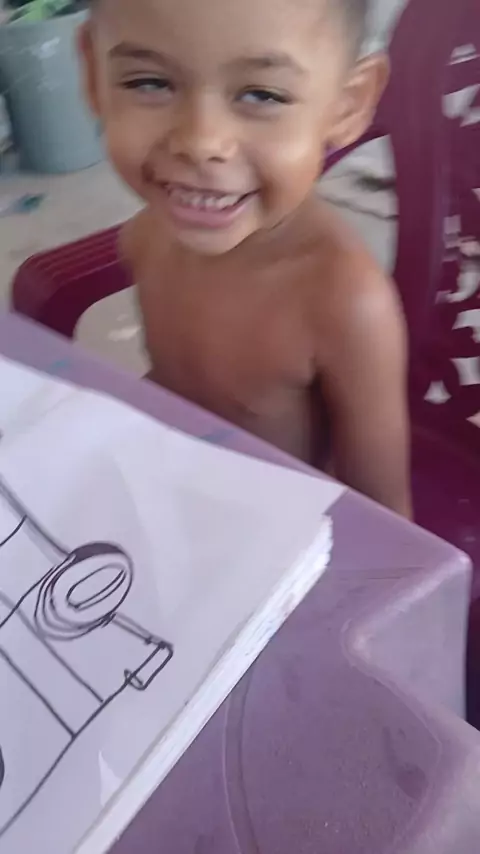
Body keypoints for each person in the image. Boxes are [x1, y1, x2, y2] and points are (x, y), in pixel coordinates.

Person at [79, 0, 411, 517]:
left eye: (262, 94)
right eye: (150, 83)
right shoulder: (147, 234)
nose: (200, 142)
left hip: (278, 535)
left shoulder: (343, 302)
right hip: (162, 493)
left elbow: (385, 516)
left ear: (347, 104)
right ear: (94, 76)